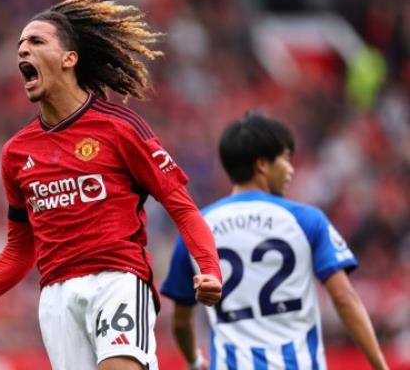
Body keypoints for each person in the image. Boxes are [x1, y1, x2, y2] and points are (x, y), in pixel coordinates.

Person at [0, 0, 222, 370]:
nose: (22, 51)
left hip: (117, 280)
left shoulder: (120, 128)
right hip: (56, 298)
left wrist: (209, 268)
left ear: (69, 58)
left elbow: (181, 206)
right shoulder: (17, 153)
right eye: (20, 46)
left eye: (36, 41)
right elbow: (19, 251)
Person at [161, 113, 389, 370]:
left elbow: (181, 320)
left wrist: (194, 360)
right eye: (286, 159)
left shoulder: (197, 228)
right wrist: (380, 365)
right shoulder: (306, 220)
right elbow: (345, 298)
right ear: (262, 165)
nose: (291, 170)